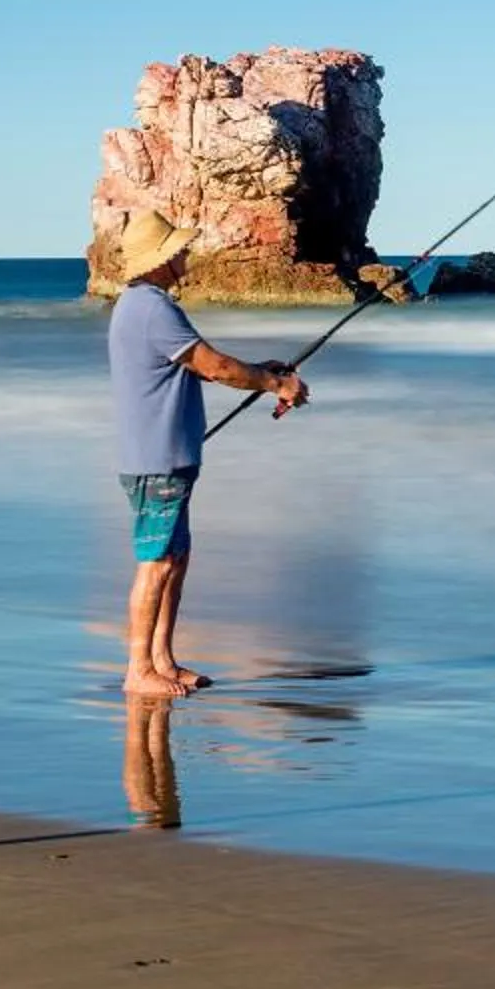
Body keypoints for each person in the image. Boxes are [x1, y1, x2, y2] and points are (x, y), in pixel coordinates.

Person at [107, 210, 306, 697]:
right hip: (157, 460)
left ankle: (162, 661)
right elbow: (213, 365)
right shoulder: (151, 307)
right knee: (155, 562)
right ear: (163, 259)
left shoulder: (142, 305)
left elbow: (195, 365)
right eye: (179, 250)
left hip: (168, 456)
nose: (186, 254)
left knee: (175, 558)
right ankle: (138, 671)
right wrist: (276, 384)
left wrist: (261, 371)